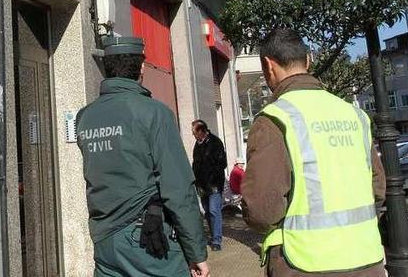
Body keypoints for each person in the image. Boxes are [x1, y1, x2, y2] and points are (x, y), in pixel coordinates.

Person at [242, 28, 386, 277]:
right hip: (367, 259)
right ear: (308, 60)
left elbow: (262, 211)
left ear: (268, 66)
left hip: (306, 264)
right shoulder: (355, 115)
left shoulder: (275, 120)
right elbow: (378, 190)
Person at [77, 35, 210, 277]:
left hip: (104, 240)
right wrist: (196, 253)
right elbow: (178, 188)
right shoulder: (154, 113)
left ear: (107, 69)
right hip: (147, 240)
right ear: (140, 68)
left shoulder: (85, 117)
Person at [191, 119, 227, 251]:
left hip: (214, 184)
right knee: (206, 212)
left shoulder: (215, 143)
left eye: (194, 132)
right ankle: (213, 236)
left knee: (213, 210)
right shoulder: (197, 145)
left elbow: (222, 164)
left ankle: (217, 240)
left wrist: (213, 180)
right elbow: (196, 163)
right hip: (201, 185)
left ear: (201, 131)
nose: (193, 135)